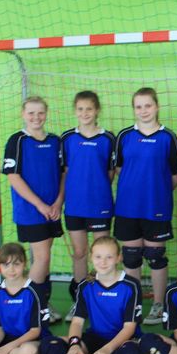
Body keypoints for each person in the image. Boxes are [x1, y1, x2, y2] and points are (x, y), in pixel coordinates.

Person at [114, 88, 177, 326]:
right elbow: (120, 168)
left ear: (157, 106)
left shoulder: (168, 137)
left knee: (155, 257)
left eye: (148, 105)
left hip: (156, 207)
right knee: (131, 258)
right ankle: (133, 304)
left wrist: (157, 189)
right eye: (139, 106)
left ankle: (159, 304)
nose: (143, 111)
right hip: (127, 208)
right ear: (134, 109)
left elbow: (176, 174)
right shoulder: (124, 136)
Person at [39, 236, 143, 354]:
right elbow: (77, 322)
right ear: (91, 258)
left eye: (109, 257)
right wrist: (74, 345)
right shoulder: (86, 284)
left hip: (122, 341)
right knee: (47, 344)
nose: (103, 262)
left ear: (119, 258)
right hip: (94, 338)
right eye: (98, 257)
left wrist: (107, 349)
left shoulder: (131, 285)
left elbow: (129, 328)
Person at [1, 96, 64, 323]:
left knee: (43, 260)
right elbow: (13, 177)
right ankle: (30, 307)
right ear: (23, 114)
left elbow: (63, 174)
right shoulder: (17, 141)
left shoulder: (55, 141)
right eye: (31, 113)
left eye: (40, 113)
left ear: (46, 113)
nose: (36, 117)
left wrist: (58, 203)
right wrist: (39, 205)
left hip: (52, 211)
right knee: (42, 258)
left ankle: (43, 304)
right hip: (30, 212)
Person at [61, 91, 116, 321]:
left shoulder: (108, 139)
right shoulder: (67, 138)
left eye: (89, 109)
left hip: (100, 205)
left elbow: (110, 172)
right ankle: (80, 301)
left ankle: (102, 299)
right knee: (80, 253)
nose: (85, 113)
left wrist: (97, 189)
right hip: (75, 206)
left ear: (97, 110)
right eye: (80, 109)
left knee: (103, 254)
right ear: (75, 111)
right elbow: (65, 172)